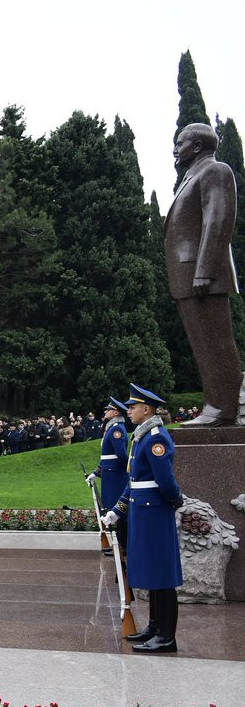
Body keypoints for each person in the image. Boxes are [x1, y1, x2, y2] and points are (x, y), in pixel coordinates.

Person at [165, 123, 242, 426]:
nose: (175, 149)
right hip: (188, 275)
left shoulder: (215, 171)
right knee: (203, 345)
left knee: (215, 344)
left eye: (179, 143)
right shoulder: (192, 176)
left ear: (197, 146)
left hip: (201, 275)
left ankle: (223, 408)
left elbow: (218, 220)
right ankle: (216, 405)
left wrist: (205, 271)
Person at [104, 384, 183, 654]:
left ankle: (166, 636)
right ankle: (154, 627)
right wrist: (118, 509)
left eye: (133, 407)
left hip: (155, 512)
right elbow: (134, 480)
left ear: (146, 409)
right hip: (143, 511)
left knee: (162, 573)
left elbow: (165, 481)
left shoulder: (155, 438)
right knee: (151, 571)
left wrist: (175, 500)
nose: (128, 411)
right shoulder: (141, 437)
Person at [89, 398, 131, 559]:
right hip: (110, 474)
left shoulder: (116, 430)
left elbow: (121, 455)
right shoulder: (112, 428)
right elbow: (107, 456)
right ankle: (119, 544)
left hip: (115, 476)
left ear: (115, 413)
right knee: (113, 509)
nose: (105, 412)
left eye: (108, 410)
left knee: (119, 510)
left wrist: (129, 469)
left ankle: (122, 545)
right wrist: (97, 472)